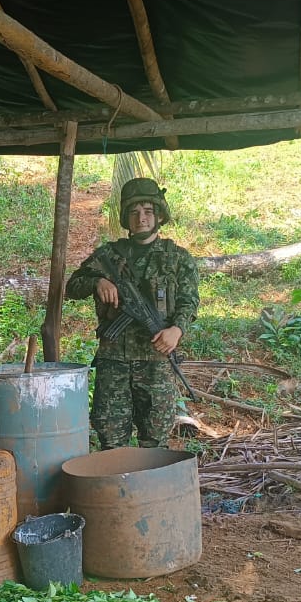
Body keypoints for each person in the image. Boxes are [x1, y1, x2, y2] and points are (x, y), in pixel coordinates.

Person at [65, 177, 200, 449]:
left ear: (159, 215)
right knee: (111, 439)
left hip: (156, 359)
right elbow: (73, 286)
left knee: (156, 438)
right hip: (113, 360)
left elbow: (189, 301)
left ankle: (151, 490)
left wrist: (177, 330)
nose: (142, 218)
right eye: (134, 212)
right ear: (126, 217)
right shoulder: (108, 255)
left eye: (148, 212)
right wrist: (97, 282)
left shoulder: (177, 258)